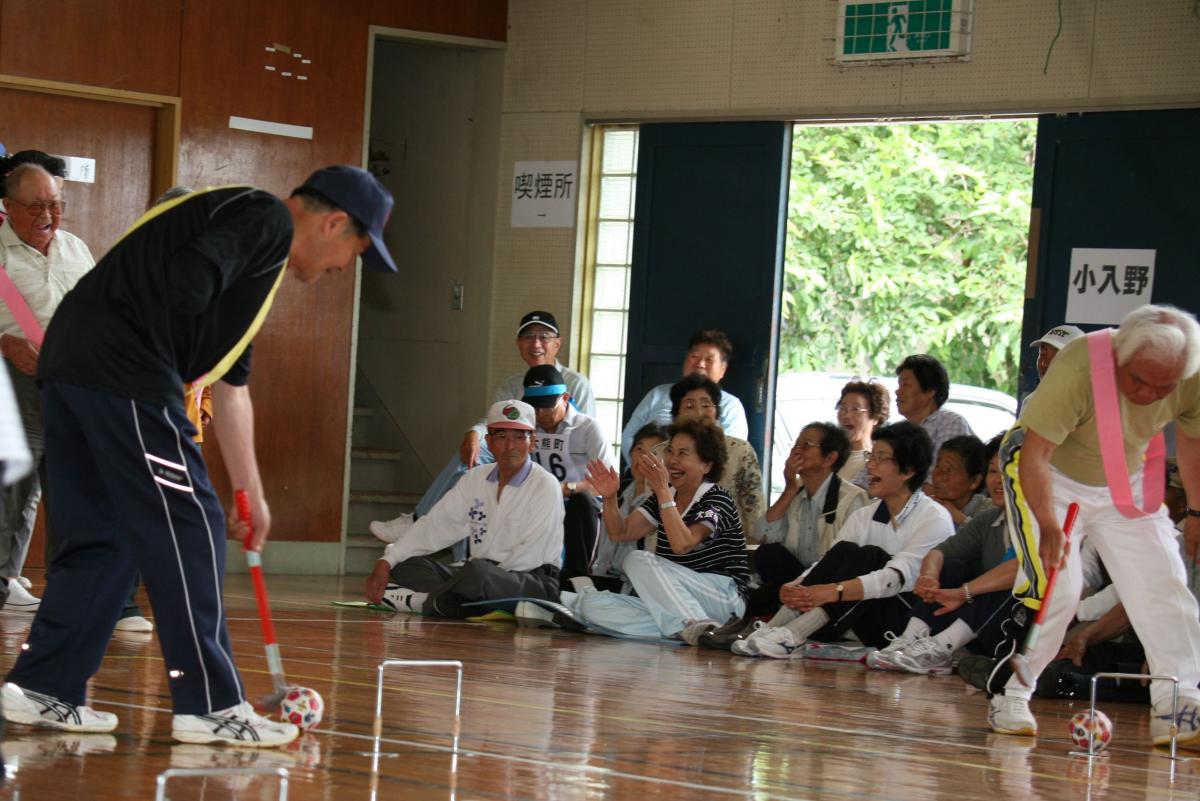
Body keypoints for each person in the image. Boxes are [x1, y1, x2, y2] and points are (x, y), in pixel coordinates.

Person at [2, 164, 398, 748]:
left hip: (71, 371)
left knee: (106, 538)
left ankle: (44, 686)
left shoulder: (255, 272)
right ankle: (209, 704)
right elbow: (187, 281)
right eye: (353, 253)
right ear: (334, 222)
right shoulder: (264, 218)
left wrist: (252, 493)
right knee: (191, 526)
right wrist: (160, 378)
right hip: (126, 374)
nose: (343, 270)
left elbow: (232, 387)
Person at [984, 304, 1200, 748]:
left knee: (1165, 583)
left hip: (1125, 476)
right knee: (1059, 589)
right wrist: (1047, 526)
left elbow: (1193, 441)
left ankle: (1178, 706)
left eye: (1164, 387)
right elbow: (1038, 455)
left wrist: (1196, 511)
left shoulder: (1192, 374)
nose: (1149, 395)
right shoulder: (1081, 363)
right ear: (1121, 355)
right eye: (1138, 380)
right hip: (1048, 474)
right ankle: (1013, 693)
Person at [732, 421, 953, 659]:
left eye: (881, 458)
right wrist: (798, 585)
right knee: (846, 550)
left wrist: (834, 591)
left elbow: (894, 579)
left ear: (908, 471)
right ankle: (774, 629)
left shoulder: (933, 517)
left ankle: (791, 635)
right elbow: (829, 561)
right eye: (871, 456)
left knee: (870, 557)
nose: (870, 466)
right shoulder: (865, 515)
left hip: (904, 620)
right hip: (856, 615)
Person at [373, 310, 595, 538]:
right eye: (528, 337)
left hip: (559, 467)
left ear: (557, 343)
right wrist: (474, 434)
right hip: (520, 455)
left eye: (544, 337)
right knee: (470, 461)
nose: (535, 344)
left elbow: (585, 435)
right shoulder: (512, 385)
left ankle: (424, 527)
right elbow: (491, 423)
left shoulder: (575, 384)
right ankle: (422, 524)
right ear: (519, 343)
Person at [364, 400, 565, 617]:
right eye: (501, 437)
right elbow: (434, 526)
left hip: (530, 580)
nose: (510, 446)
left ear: (533, 442)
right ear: (488, 441)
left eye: (519, 437)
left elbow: (529, 558)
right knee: (407, 565)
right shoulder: (475, 479)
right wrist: (387, 561)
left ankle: (424, 602)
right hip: (476, 576)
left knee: (479, 575)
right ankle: (455, 602)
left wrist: (471, 575)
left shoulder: (545, 485)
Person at [565, 417, 750, 644]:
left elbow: (683, 544)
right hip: (675, 600)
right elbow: (620, 533)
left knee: (637, 560)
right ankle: (695, 630)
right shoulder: (663, 496)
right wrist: (610, 497)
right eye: (670, 451)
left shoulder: (716, 498)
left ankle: (695, 625)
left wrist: (663, 491)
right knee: (592, 605)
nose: (672, 460)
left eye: (683, 453)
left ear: (707, 465)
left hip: (723, 597)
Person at [0, 161, 93, 611]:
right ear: (7, 205)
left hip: (71, 386)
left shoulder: (76, 248)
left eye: (55, 204)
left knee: (68, 493)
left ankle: (68, 597)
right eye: (35, 205)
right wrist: (3, 343)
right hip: (10, 382)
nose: (48, 214)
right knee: (11, 493)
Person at [867, 434, 1024, 675]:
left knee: (1011, 584)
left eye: (1010, 471)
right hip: (979, 624)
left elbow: (1019, 567)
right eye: (994, 471)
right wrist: (929, 577)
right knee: (952, 565)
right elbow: (939, 552)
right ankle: (911, 639)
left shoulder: (1042, 524)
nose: (999, 480)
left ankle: (941, 648)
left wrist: (964, 592)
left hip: (1023, 629)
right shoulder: (990, 519)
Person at [743, 422, 867, 619]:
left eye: (806, 445)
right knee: (767, 555)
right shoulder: (797, 493)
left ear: (830, 458)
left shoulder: (852, 497)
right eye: (796, 445)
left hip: (831, 583)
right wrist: (789, 488)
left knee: (767, 598)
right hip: (797, 578)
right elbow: (762, 535)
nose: (797, 451)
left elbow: (853, 559)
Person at [520, 365, 614, 581]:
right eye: (534, 408)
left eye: (547, 407)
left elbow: (605, 483)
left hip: (580, 505)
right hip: (540, 502)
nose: (541, 414)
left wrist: (564, 489)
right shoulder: (527, 429)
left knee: (582, 501)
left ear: (565, 398)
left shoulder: (588, 428)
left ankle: (576, 576)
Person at [620, 329, 748, 463]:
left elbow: (732, 452)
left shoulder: (731, 405)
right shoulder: (658, 393)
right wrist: (643, 469)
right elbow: (629, 437)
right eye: (694, 356)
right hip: (647, 472)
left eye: (709, 359)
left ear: (723, 369)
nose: (700, 364)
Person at [663, 373, 764, 536]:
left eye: (706, 405)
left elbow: (754, 511)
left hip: (725, 548)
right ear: (676, 414)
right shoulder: (659, 454)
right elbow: (650, 513)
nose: (698, 412)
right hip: (669, 546)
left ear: (717, 412)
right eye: (689, 405)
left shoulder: (741, 452)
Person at [589, 423, 668, 591]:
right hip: (605, 577)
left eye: (653, 452)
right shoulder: (620, 489)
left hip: (639, 586)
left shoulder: (663, 499)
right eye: (639, 449)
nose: (643, 458)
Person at [894, 355, 973, 480]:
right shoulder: (897, 432)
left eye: (906, 385)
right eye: (899, 385)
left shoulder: (949, 423)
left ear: (931, 391)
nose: (897, 391)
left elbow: (938, 483)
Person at [836, 380, 890, 489]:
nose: (846, 415)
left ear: (875, 418)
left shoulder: (874, 462)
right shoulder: (829, 454)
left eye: (856, 409)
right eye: (843, 408)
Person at [927, 434, 989, 527]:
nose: (938, 477)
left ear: (975, 481)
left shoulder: (990, 511)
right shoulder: (928, 505)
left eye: (948, 470)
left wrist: (957, 516)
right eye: (937, 466)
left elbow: (988, 540)